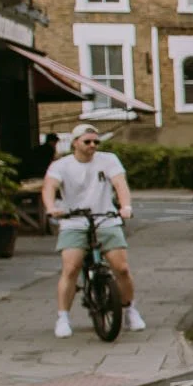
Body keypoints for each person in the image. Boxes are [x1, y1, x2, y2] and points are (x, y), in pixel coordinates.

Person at [41, 124, 141, 336]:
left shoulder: (109, 160)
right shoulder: (61, 165)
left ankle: (130, 309)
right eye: (87, 142)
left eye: (96, 141)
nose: (92, 145)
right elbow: (49, 187)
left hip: (105, 219)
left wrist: (125, 207)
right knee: (71, 267)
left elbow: (120, 184)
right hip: (74, 221)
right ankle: (63, 318)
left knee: (121, 268)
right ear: (75, 143)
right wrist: (51, 208)